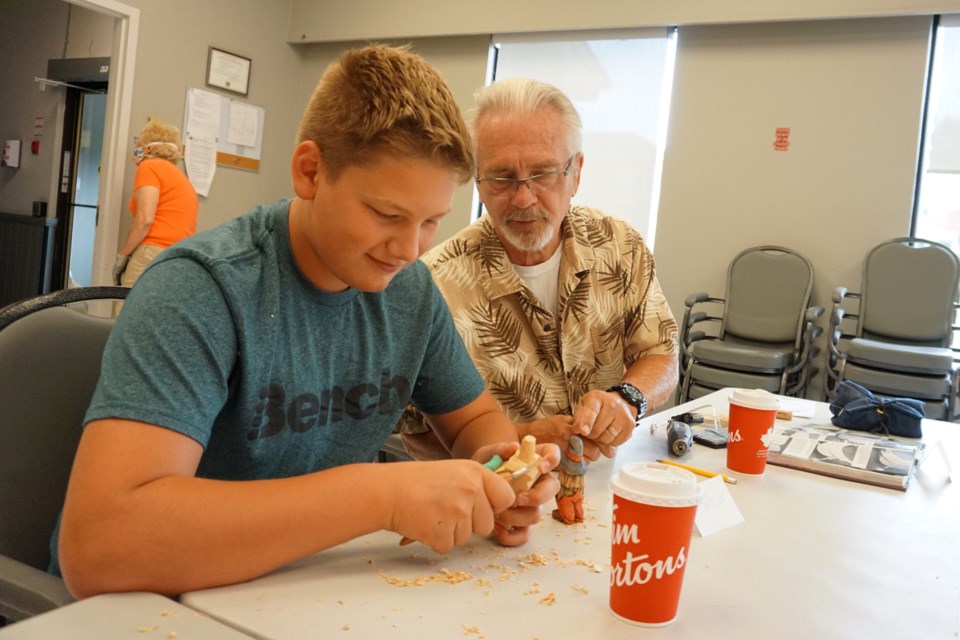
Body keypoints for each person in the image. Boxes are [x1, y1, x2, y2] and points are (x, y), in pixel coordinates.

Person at [55, 45, 560, 599]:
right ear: (310, 172)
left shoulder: (407, 289)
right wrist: (382, 497)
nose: (409, 247)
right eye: (387, 215)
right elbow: (101, 547)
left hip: (309, 591)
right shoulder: (201, 290)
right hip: (166, 602)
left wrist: (499, 472)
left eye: (431, 221)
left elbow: (474, 422)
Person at [398, 78, 678, 463]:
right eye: (501, 178)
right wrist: (521, 441)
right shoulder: (433, 285)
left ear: (576, 173)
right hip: (497, 500)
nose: (524, 198)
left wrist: (628, 399)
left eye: (543, 173)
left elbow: (661, 353)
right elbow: (414, 433)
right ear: (478, 183)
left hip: (604, 483)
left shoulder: (620, 246)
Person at [112, 117, 198, 287]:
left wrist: (121, 257)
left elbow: (144, 221)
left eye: (139, 144)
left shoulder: (149, 168)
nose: (136, 149)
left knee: (128, 310)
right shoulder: (181, 177)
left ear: (148, 147)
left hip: (151, 253)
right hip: (178, 256)